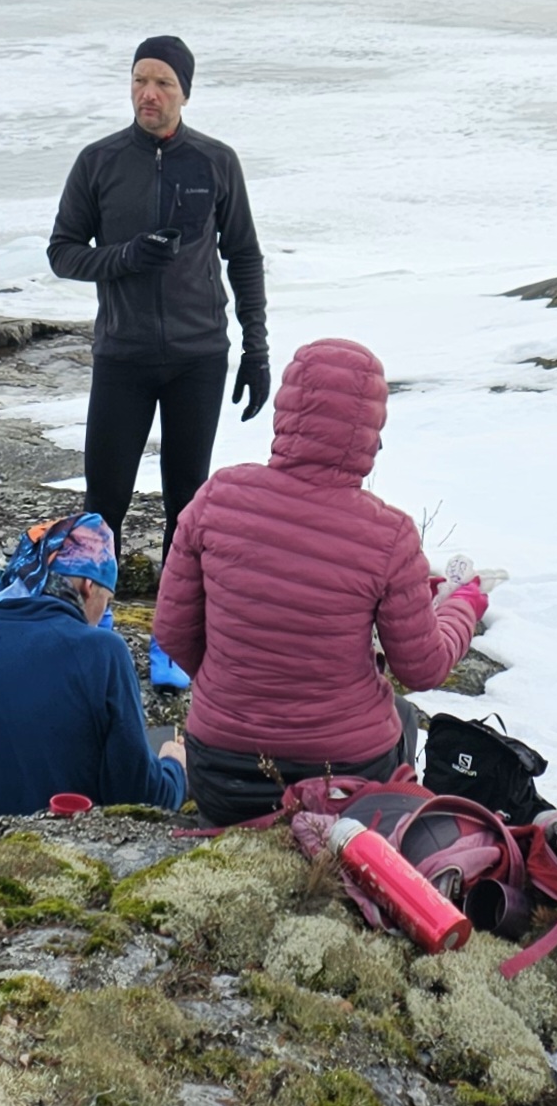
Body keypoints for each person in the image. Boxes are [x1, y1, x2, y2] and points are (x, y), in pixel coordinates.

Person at [151, 337, 487, 822]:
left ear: (286, 410)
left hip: (222, 774)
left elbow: (172, 631)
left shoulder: (216, 497)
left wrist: (232, 688)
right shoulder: (389, 535)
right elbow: (423, 668)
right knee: (403, 717)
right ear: (369, 430)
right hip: (343, 782)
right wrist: (463, 606)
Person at [47, 33, 269, 550]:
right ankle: (96, 602)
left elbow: (244, 256)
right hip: (123, 356)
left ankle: (176, 604)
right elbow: (62, 253)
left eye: (163, 83)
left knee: (187, 507)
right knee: (103, 506)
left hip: (199, 357)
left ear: (184, 92)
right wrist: (125, 257)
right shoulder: (98, 161)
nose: (149, 93)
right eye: (140, 80)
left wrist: (255, 351)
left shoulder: (216, 161)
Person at [0, 516, 183, 837]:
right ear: (88, 586)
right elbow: (141, 797)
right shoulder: (103, 651)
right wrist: (176, 768)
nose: (101, 617)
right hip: (48, 845)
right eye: (106, 602)